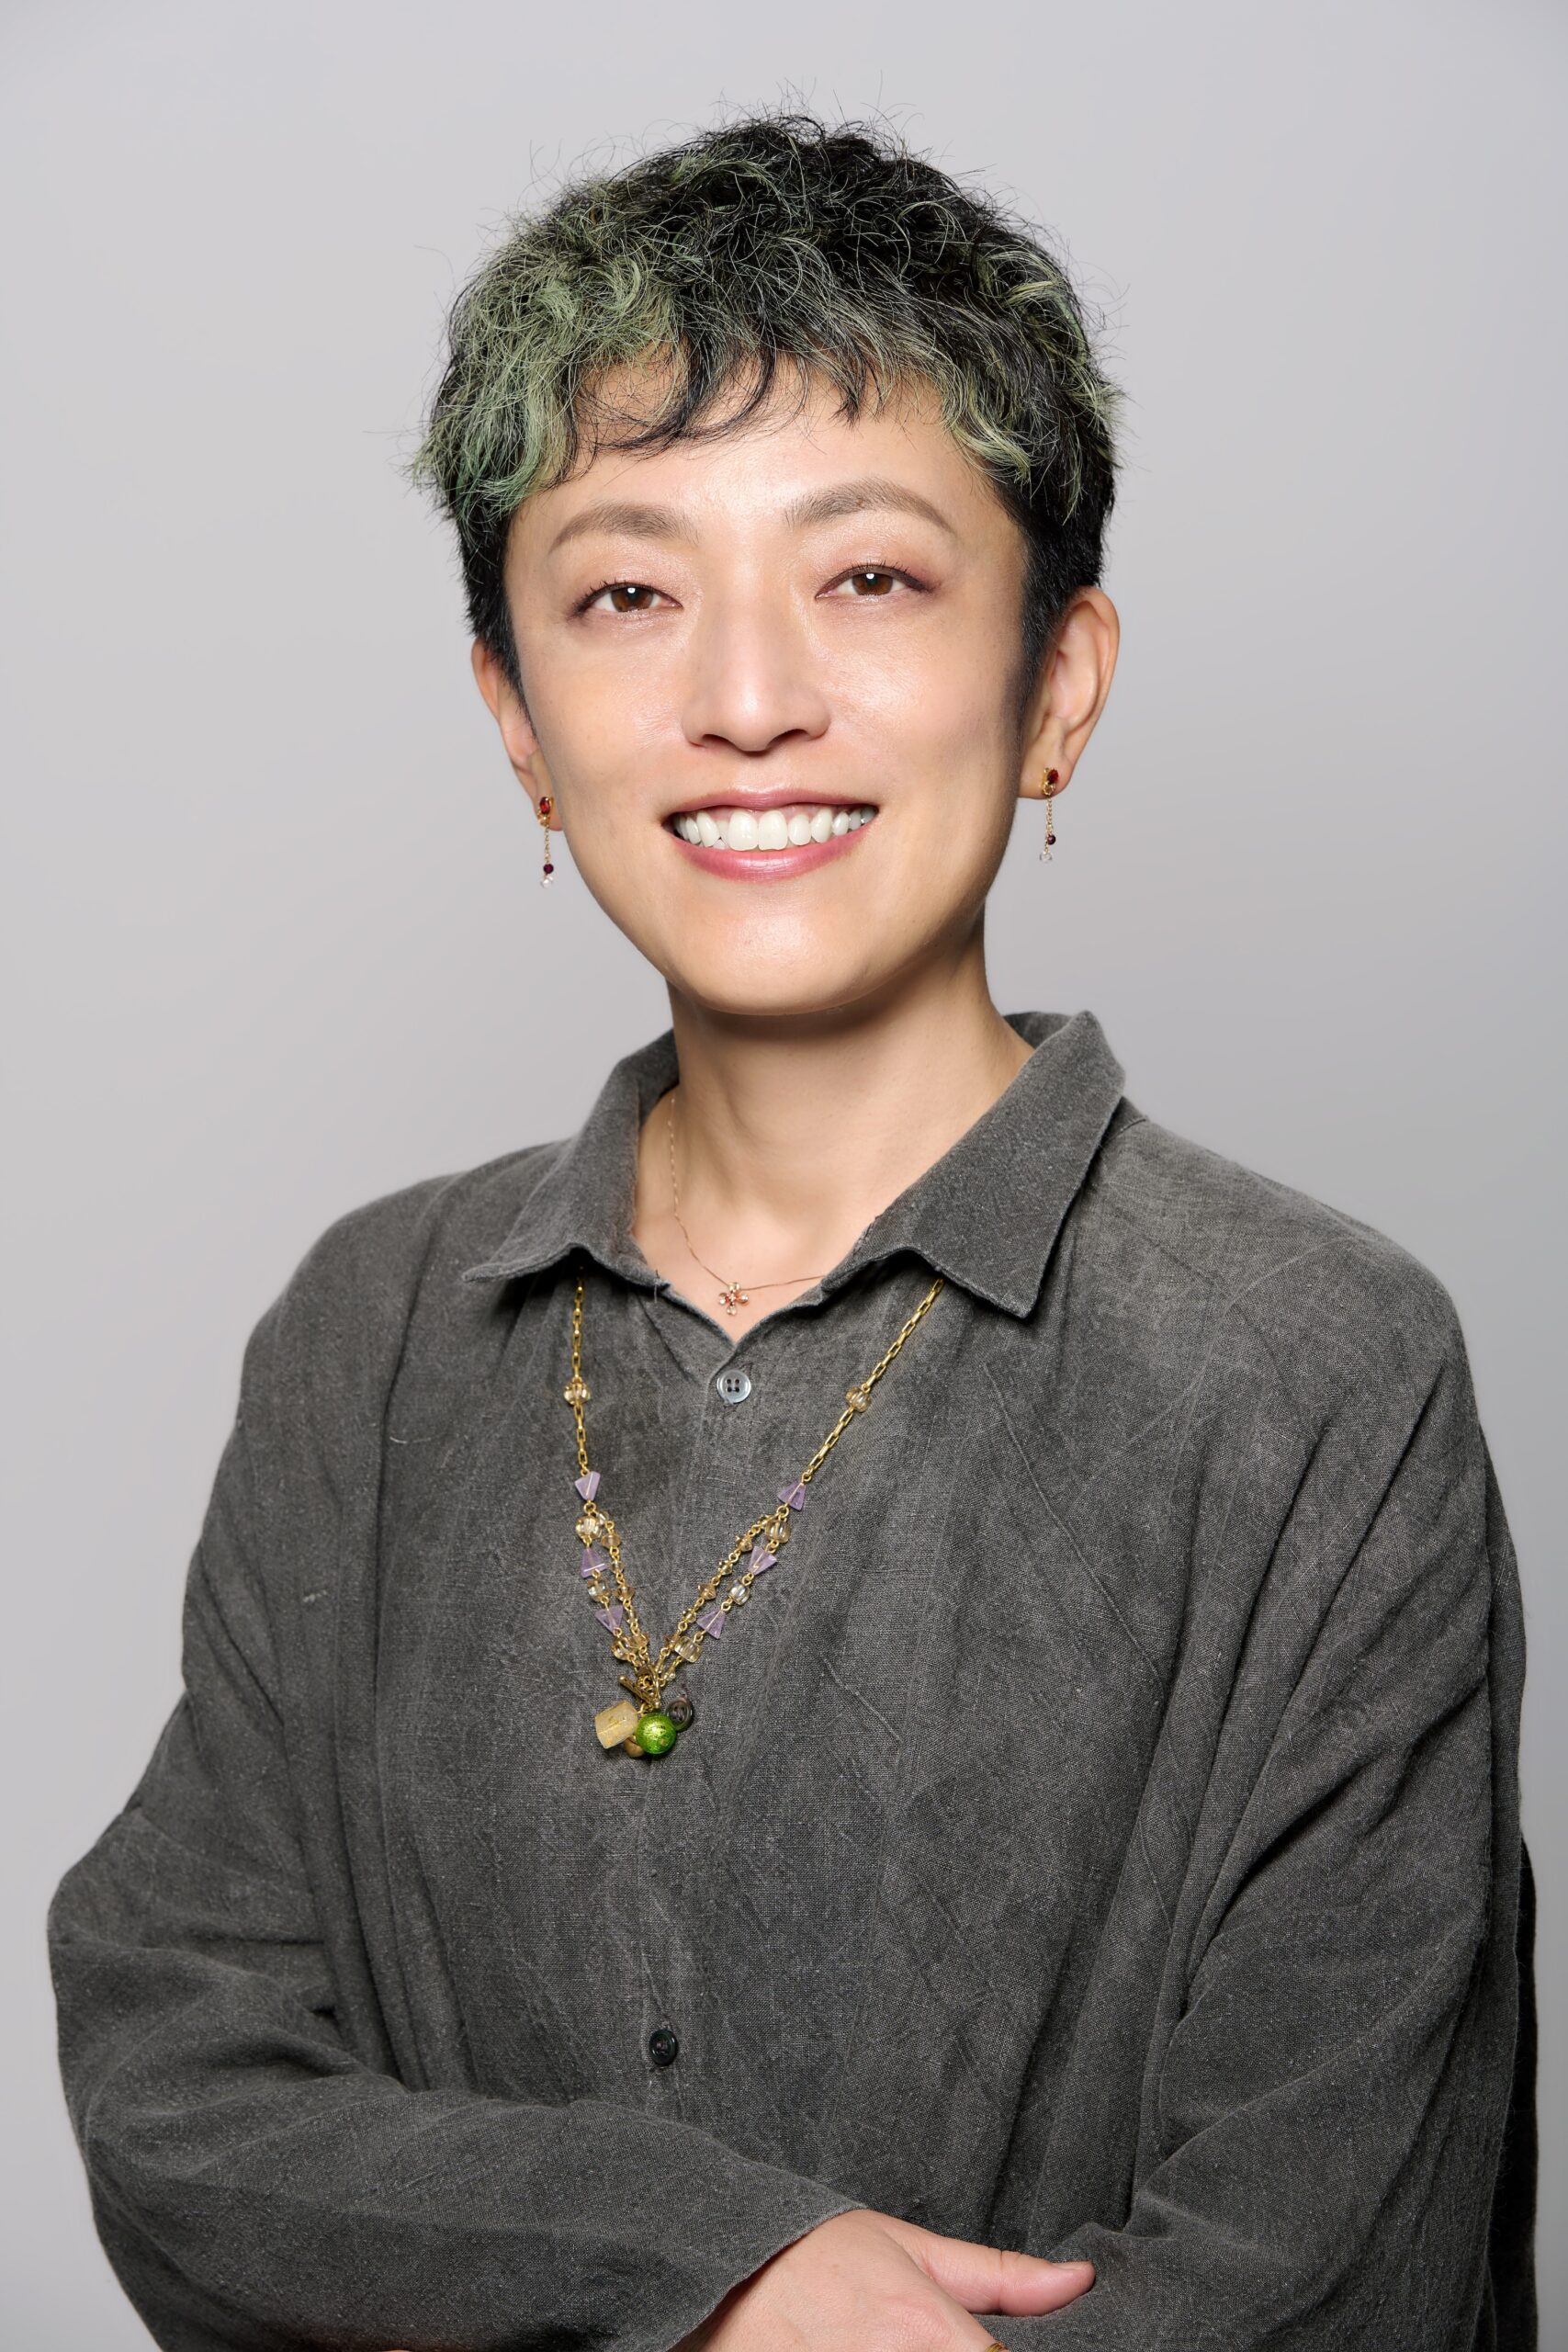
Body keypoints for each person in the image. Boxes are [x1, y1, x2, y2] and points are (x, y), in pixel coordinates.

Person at [47, 108, 1536, 2352]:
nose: (745, 698)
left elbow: (1342, 2264)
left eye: (869, 577)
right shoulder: (370, 1330)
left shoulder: (1309, 1366)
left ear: (1055, 682)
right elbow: (179, 2078)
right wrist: (705, 2260)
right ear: (517, 722)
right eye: (624, 594)